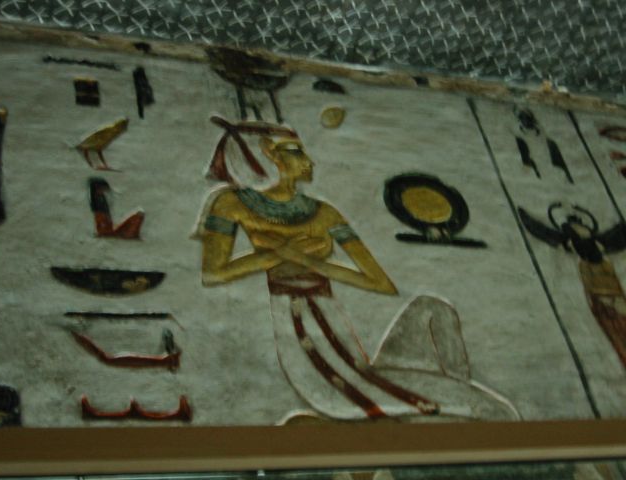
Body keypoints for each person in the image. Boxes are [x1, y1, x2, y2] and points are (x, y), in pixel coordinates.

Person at [195, 116, 519, 422]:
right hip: (322, 368)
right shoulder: (231, 204)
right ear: (269, 155)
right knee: (497, 411)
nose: (310, 161)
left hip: (353, 359)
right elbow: (213, 273)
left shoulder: (324, 212)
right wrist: (280, 254)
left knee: (434, 309)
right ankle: (446, 415)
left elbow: (380, 283)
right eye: (298, 152)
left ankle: (446, 418)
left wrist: (310, 262)